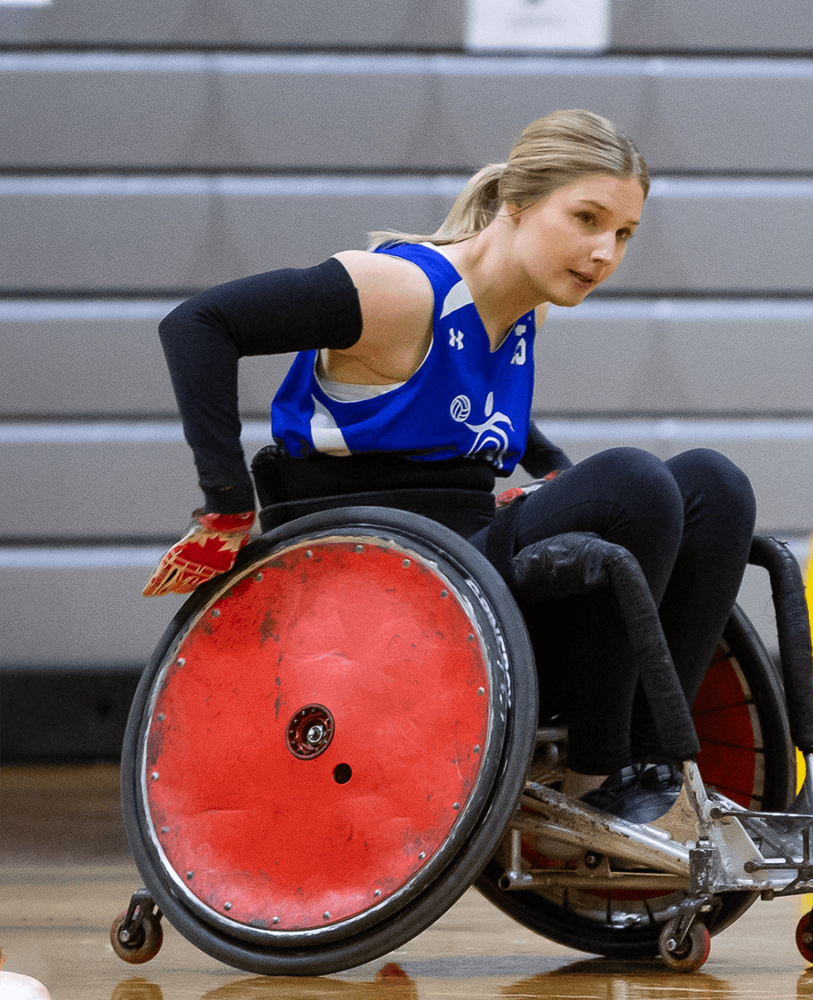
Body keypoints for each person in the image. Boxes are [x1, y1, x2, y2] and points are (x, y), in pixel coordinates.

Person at [142, 109, 756, 828]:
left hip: (460, 562)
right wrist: (225, 503)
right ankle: (597, 773)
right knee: (634, 482)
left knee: (714, 485)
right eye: (587, 218)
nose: (604, 253)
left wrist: (551, 464)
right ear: (518, 205)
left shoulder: (520, 312)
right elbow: (198, 324)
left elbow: (465, 403)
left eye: (623, 234)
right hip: (372, 574)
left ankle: (653, 769)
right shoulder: (399, 290)